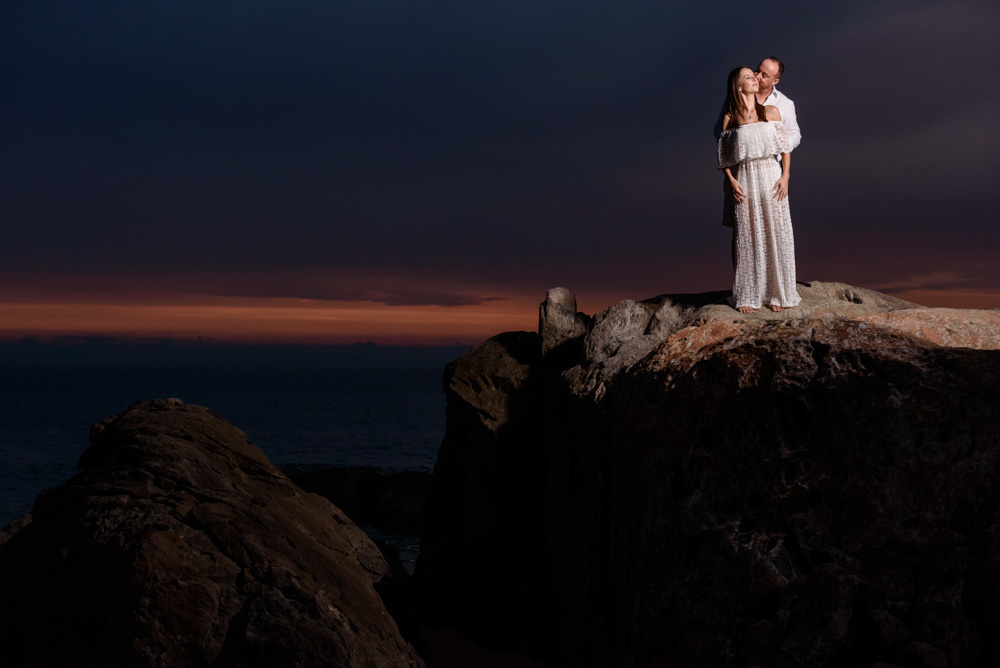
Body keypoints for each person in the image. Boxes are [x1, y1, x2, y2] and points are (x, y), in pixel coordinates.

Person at [718, 66, 801, 313]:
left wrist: (785, 176)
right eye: (748, 76)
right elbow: (725, 157)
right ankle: (748, 294)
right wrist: (731, 180)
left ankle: (778, 293)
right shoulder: (730, 117)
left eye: (754, 76)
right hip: (745, 177)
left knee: (777, 230)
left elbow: (785, 149)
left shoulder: (773, 111)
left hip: (771, 176)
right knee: (748, 234)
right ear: (738, 86)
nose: (754, 78)